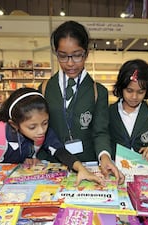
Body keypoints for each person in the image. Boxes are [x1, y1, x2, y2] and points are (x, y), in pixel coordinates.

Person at [38, 20, 124, 185]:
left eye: (77, 55)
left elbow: (101, 131)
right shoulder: (44, 88)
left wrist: (104, 156)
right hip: (53, 164)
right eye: (63, 56)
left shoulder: (98, 92)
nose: (70, 63)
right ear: (56, 53)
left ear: (86, 53)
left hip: (88, 164)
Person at [0, 87, 104, 185]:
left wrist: (81, 168)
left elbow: (60, 151)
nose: (41, 131)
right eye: (32, 127)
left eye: (45, 123)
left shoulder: (44, 133)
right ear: (14, 124)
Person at [109, 59, 148, 159]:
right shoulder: (108, 112)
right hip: (115, 168)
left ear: (147, 91)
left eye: (140, 92)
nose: (134, 97)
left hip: (143, 167)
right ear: (121, 88)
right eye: (129, 91)